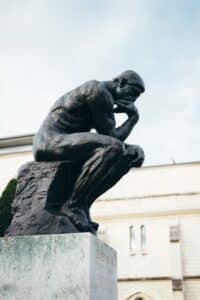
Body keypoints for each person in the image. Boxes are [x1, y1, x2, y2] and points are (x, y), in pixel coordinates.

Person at [33, 70, 145, 233]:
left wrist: (132, 149)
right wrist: (133, 119)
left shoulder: (104, 96)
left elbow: (110, 137)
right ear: (120, 82)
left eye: (137, 97)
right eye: (133, 93)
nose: (133, 100)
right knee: (114, 148)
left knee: (127, 157)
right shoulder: (98, 91)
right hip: (50, 141)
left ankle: (83, 203)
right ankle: (73, 204)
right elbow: (112, 138)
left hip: (67, 142)